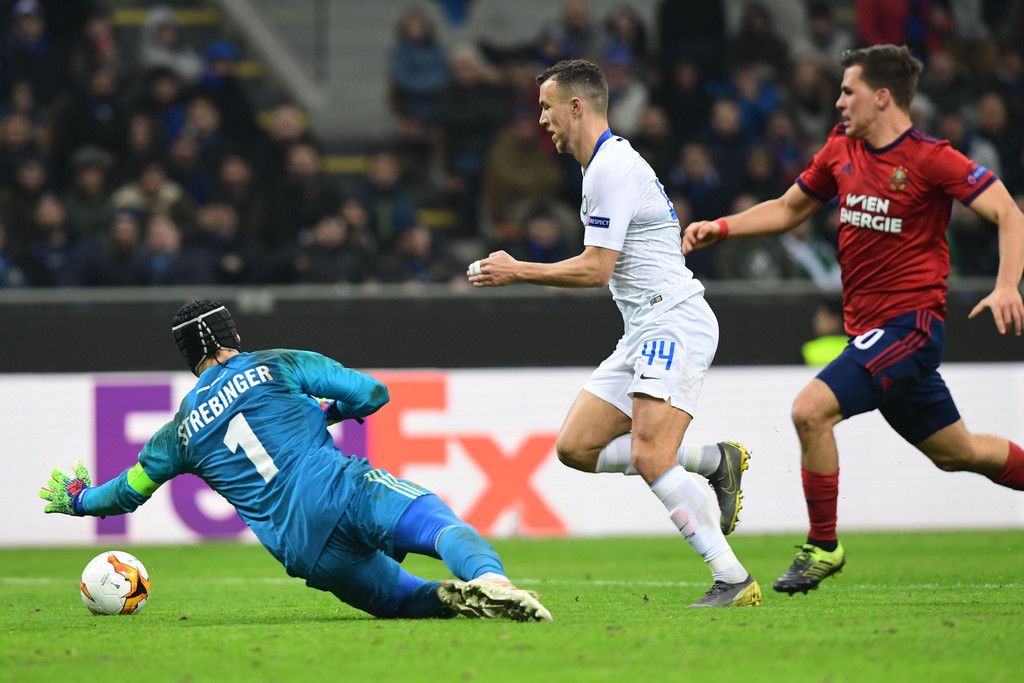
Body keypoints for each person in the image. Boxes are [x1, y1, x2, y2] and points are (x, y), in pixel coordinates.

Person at [682, 44, 1024, 595]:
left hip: (910, 327)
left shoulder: (932, 158)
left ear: (882, 97)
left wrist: (1007, 285)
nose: (839, 101)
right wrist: (721, 227)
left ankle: (823, 546)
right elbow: (790, 208)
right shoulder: (841, 149)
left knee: (809, 410)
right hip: (871, 333)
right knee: (958, 452)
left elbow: (1008, 211)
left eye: (849, 91)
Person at [39, 299, 551, 622]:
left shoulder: (179, 434)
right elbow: (373, 393)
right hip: (342, 490)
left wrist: (81, 500)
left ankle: (451, 599)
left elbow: (127, 491)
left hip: (304, 548)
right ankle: (492, 582)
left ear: (189, 359)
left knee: (399, 601)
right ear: (233, 337)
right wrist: (330, 413)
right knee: (439, 526)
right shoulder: (276, 364)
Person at [468, 59, 760, 608]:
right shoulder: (600, 168)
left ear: (576, 106)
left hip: (672, 320)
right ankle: (713, 461)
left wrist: (517, 269)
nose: (542, 119)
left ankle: (732, 578)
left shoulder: (611, 168)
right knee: (576, 446)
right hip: (644, 328)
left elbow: (596, 269)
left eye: (547, 107)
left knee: (651, 454)